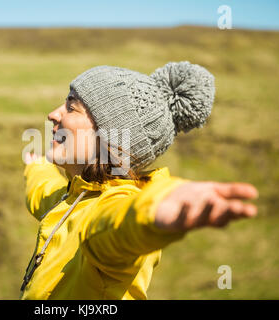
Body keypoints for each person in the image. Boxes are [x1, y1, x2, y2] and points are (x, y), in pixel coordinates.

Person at [20, 62, 258, 300]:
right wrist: (36, 166)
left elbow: (117, 225)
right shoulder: (72, 197)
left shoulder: (112, 205)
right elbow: (44, 191)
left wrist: (151, 210)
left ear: (109, 137)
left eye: (72, 107)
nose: (53, 114)